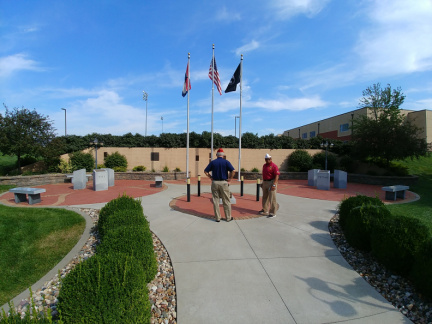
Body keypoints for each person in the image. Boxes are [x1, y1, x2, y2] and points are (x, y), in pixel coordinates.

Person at [204, 148, 235, 222]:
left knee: (216, 200)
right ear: (223, 155)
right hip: (224, 183)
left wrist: (211, 177)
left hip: (215, 182)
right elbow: (233, 171)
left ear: (216, 155)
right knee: (226, 200)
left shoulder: (213, 162)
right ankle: (228, 217)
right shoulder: (226, 162)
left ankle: (218, 218)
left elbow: (205, 171)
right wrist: (230, 179)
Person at [260, 153, 280, 218]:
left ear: (271, 159)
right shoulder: (264, 166)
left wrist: (274, 184)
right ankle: (265, 209)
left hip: (271, 182)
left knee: (272, 198)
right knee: (265, 197)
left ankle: (273, 212)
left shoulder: (274, 166)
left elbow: (277, 175)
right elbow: (264, 174)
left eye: (268, 159)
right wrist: (263, 182)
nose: (267, 160)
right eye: (266, 159)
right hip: (265, 182)